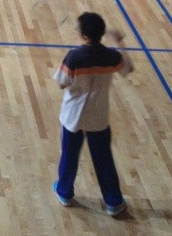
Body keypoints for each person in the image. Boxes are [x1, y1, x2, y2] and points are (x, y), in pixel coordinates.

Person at [52, 11, 133, 217]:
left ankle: (64, 192)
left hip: (73, 118)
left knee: (69, 156)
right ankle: (113, 202)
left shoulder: (74, 56)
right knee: (104, 159)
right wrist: (119, 42)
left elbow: (61, 83)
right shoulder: (111, 56)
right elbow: (128, 68)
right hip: (98, 118)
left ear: (84, 35)